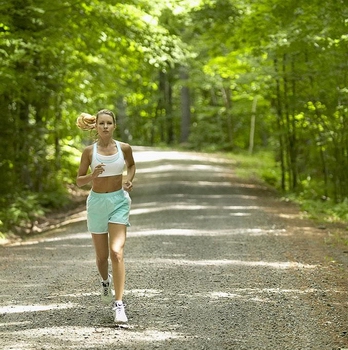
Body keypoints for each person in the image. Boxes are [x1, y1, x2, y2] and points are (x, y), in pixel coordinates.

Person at [76, 109, 135, 324]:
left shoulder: (124, 148)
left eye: (109, 123)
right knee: (102, 258)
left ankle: (119, 304)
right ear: (96, 126)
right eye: (102, 123)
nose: (105, 127)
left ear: (114, 125)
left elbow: (131, 165)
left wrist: (129, 179)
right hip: (97, 204)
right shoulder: (89, 152)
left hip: (119, 201)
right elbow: (79, 181)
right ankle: (104, 281)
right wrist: (93, 175)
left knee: (116, 252)